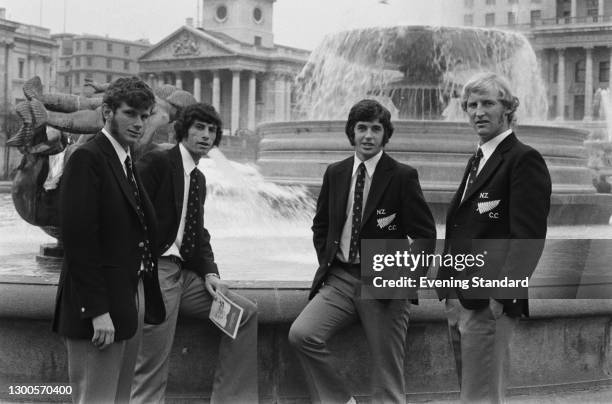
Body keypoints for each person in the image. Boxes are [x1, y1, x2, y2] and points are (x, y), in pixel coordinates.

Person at [289, 99, 436, 403]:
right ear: (351, 132)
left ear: (385, 134)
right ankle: (342, 400)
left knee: (387, 374)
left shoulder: (401, 175)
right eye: (362, 128)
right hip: (340, 278)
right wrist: (329, 261)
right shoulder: (336, 172)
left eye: (375, 129)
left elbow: (424, 235)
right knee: (302, 335)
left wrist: (405, 280)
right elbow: (321, 226)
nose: (368, 135)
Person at [131, 103, 258, 403]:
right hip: (156, 273)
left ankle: (231, 400)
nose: (206, 135)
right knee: (152, 363)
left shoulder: (198, 178)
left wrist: (211, 274)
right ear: (182, 130)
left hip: (184, 278)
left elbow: (198, 234)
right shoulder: (158, 162)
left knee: (244, 314)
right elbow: (128, 211)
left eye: (211, 130)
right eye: (199, 127)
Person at [436, 72, 551, 403]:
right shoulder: (478, 159)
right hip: (460, 297)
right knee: (473, 394)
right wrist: (448, 290)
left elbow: (528, 237)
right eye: (471, 105)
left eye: (488, 103)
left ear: (508, 109)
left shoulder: (523, 159)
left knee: (482, 396)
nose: (478, 112)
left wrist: (500, 298)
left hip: (488, 301)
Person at [52, 77, 166, 403]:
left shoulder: (125, 160)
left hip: (125, 301)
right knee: (95, 398)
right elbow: (78, 240)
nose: (139, 123)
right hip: (97, 309)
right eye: (130, 113)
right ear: (107, 112)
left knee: (117, 399)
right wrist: (97, 310)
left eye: (145, 116)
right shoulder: (87, 158)